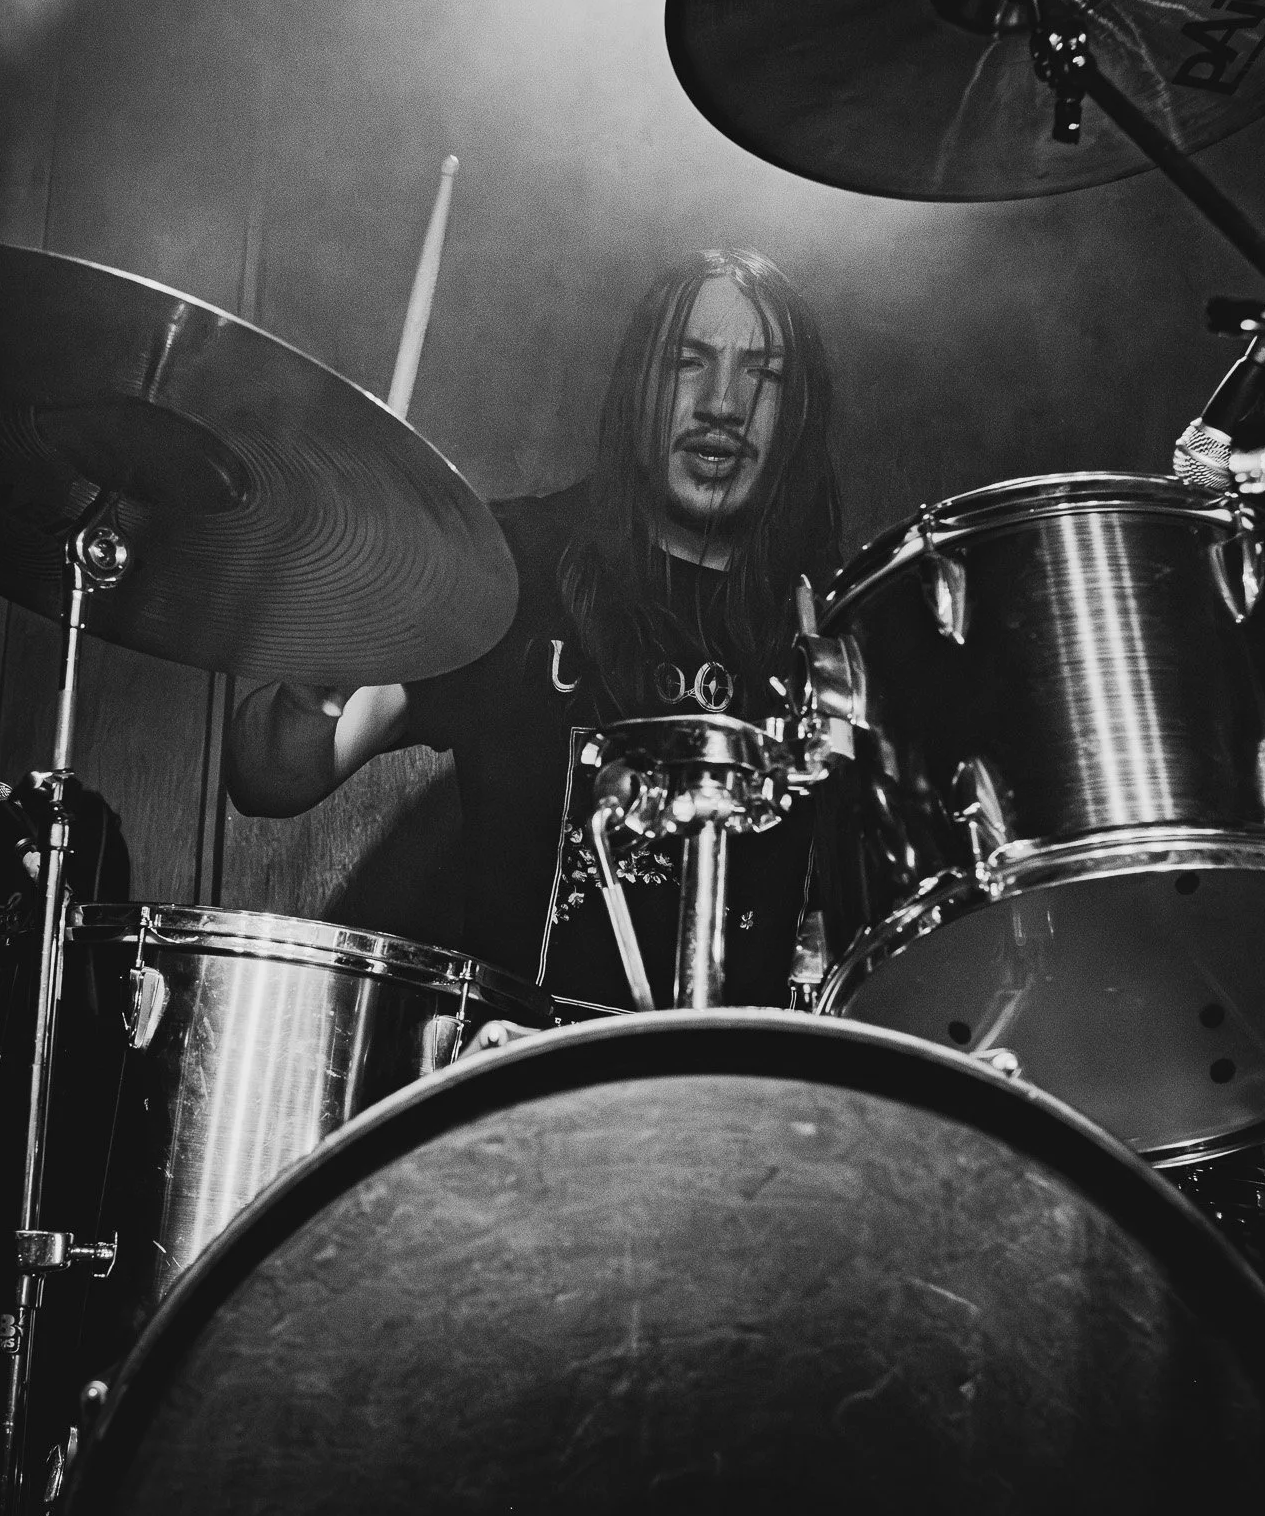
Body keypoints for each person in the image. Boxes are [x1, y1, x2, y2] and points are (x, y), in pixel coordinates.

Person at [227, 247, 842, 1014]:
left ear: (797, 409)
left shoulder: (834, 628)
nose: (723, 400)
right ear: (635, 389)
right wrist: (319, 671)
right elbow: (271, 778)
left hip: (737, 1107)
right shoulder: (507, 566)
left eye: (764, 372)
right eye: (688, 362)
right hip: (517, 1086)